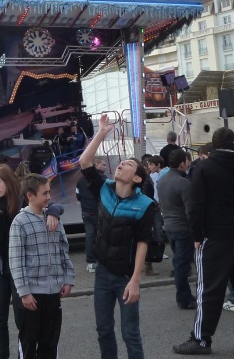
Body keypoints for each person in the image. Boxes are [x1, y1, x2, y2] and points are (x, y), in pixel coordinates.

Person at [173, 126, 234, 357]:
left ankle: (201, 340)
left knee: (209, 289)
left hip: (215, 236)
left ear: (214, 144)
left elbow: (195, 207)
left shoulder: (204, 169)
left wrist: (197, 236)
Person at [79, 114, 155, 359]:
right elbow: (84, 161)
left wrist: (135, 280)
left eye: (129, 164)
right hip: (102, 272)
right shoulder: (104, 189)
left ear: (137, 178)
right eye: (122, 162)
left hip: (125, 277)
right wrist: (102, 133)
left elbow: (143, 242)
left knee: (130, 332)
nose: (121, 164)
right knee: (103, 329)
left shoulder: (145, 205)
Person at [0, 163, 64, 359]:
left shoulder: (23, 201)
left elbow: (51, 204)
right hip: (0, 269)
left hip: (20, 269)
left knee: (23, 319)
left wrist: (54, 211)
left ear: (7, 180)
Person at [9, 173, 75, 359]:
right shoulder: (20, 222)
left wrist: (68, 278)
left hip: (53, 292)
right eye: (44, 193)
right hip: (32, 295)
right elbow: (16, 260)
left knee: (50, 343)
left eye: (49, 192)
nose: (49, 197)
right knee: (29, 343)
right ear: (30, 195)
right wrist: (24, 292)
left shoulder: (53, 218)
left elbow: (63, 250)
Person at [156, 148, 197, 310]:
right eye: (187, 161)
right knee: (182, 264)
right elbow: (190, 210)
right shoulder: (183, 182)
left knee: (180, 261)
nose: (189, 163)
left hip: (169, 226)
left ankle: (185, 295)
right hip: (183, 228)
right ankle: (184, 298)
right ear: (182, 163)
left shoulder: (163, 180)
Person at [76, 157, 107, 274]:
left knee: (90, 235)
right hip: (98, 211)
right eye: (103, 164)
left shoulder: (80, 181)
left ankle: (90, 262)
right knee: (102, 236)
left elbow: (78, 196)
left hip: (85, 211)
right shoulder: (102, 178)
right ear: (96, 165)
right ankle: (102, 261)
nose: (105, 167)